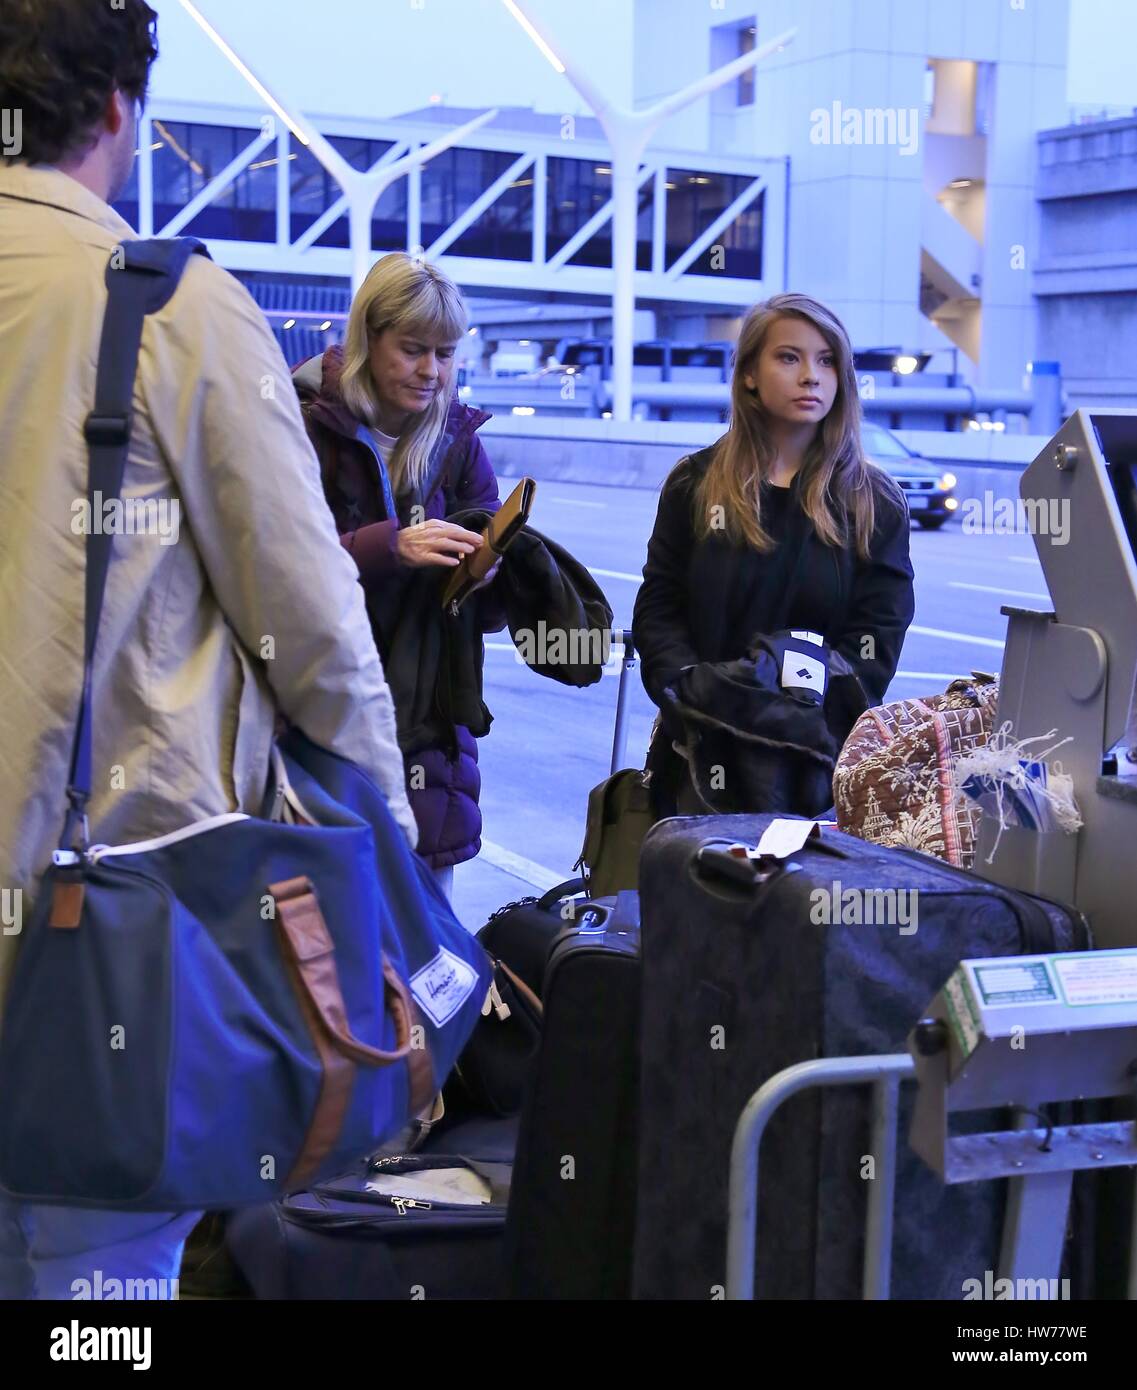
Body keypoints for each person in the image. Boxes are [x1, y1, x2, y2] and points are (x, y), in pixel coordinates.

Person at [0, 0, 415, 1299]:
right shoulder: (164, 306)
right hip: (104, 936)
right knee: (97, 1294)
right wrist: (385, 874)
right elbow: (316, 632)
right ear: (120, 109)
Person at [633, 292, 916, 815]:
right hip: (700, 754)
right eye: (789, 357)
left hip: (814, 765)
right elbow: (659, 609)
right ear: (748, 374)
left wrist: (806, 713)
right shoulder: (693, 485)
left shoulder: (874, 502)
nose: (812, 375)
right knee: (695, 893)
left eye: (827, 360)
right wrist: (692, 694)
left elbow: (877, 636)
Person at [294, 254, 503, 899]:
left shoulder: (459, 439)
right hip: (320, 704)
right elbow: (279, 564)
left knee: (427, 933)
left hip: (428, 720)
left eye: (445, 354)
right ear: (367, 338)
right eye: (413, 349)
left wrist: (491, 569)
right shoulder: (304, 424)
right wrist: (391, 547)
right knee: (328, 933)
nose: (431, 372)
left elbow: (486, 612)